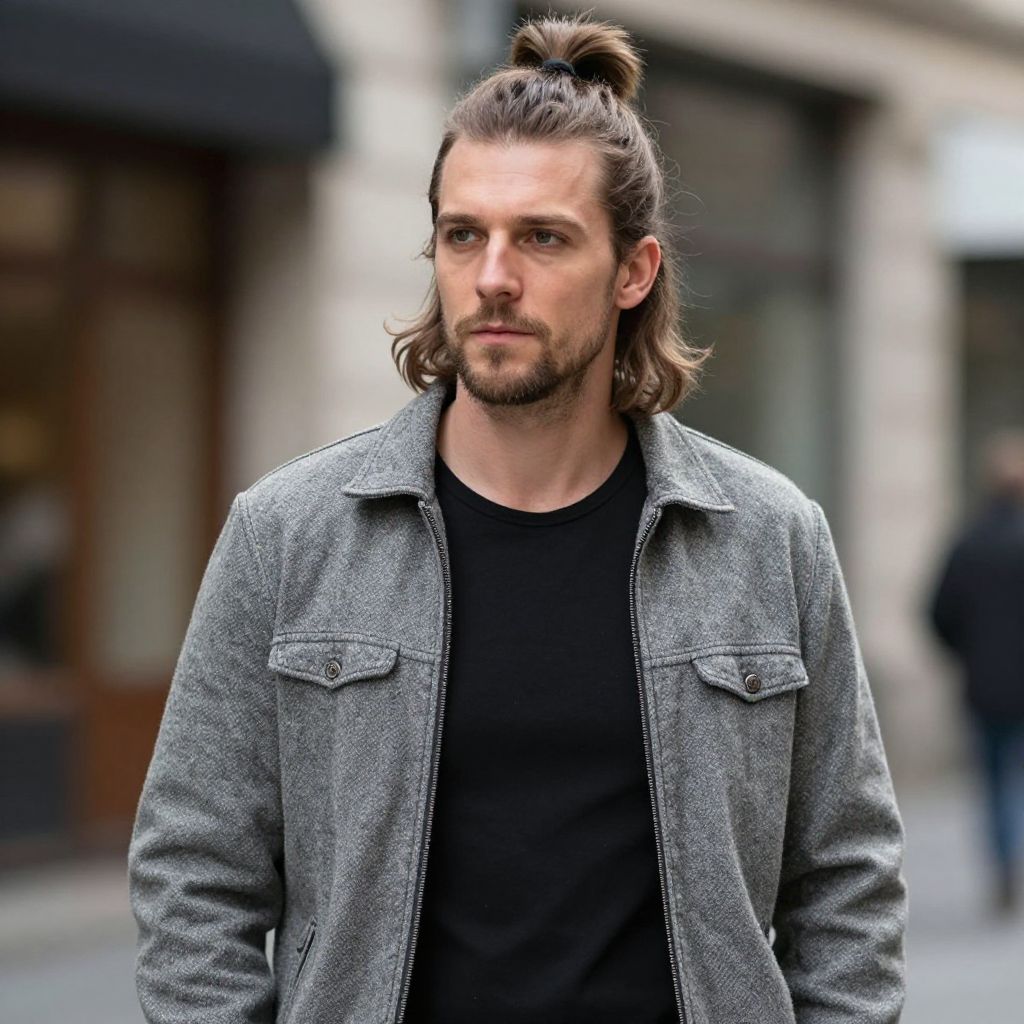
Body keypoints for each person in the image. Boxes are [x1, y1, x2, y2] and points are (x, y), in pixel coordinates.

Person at [128, 14, 906, 1024]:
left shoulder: (766, 537)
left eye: (542, 236)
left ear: (633, 272)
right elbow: (195, 873)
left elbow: (845, 874)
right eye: (464, 236)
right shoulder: (289, 533)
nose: (493, 275)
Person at [928, 430, 1024, 916]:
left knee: (993, 780)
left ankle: (1004, 858)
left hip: (984, 686)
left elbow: (938, 611)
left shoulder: (968, 544)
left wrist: (966, 653)